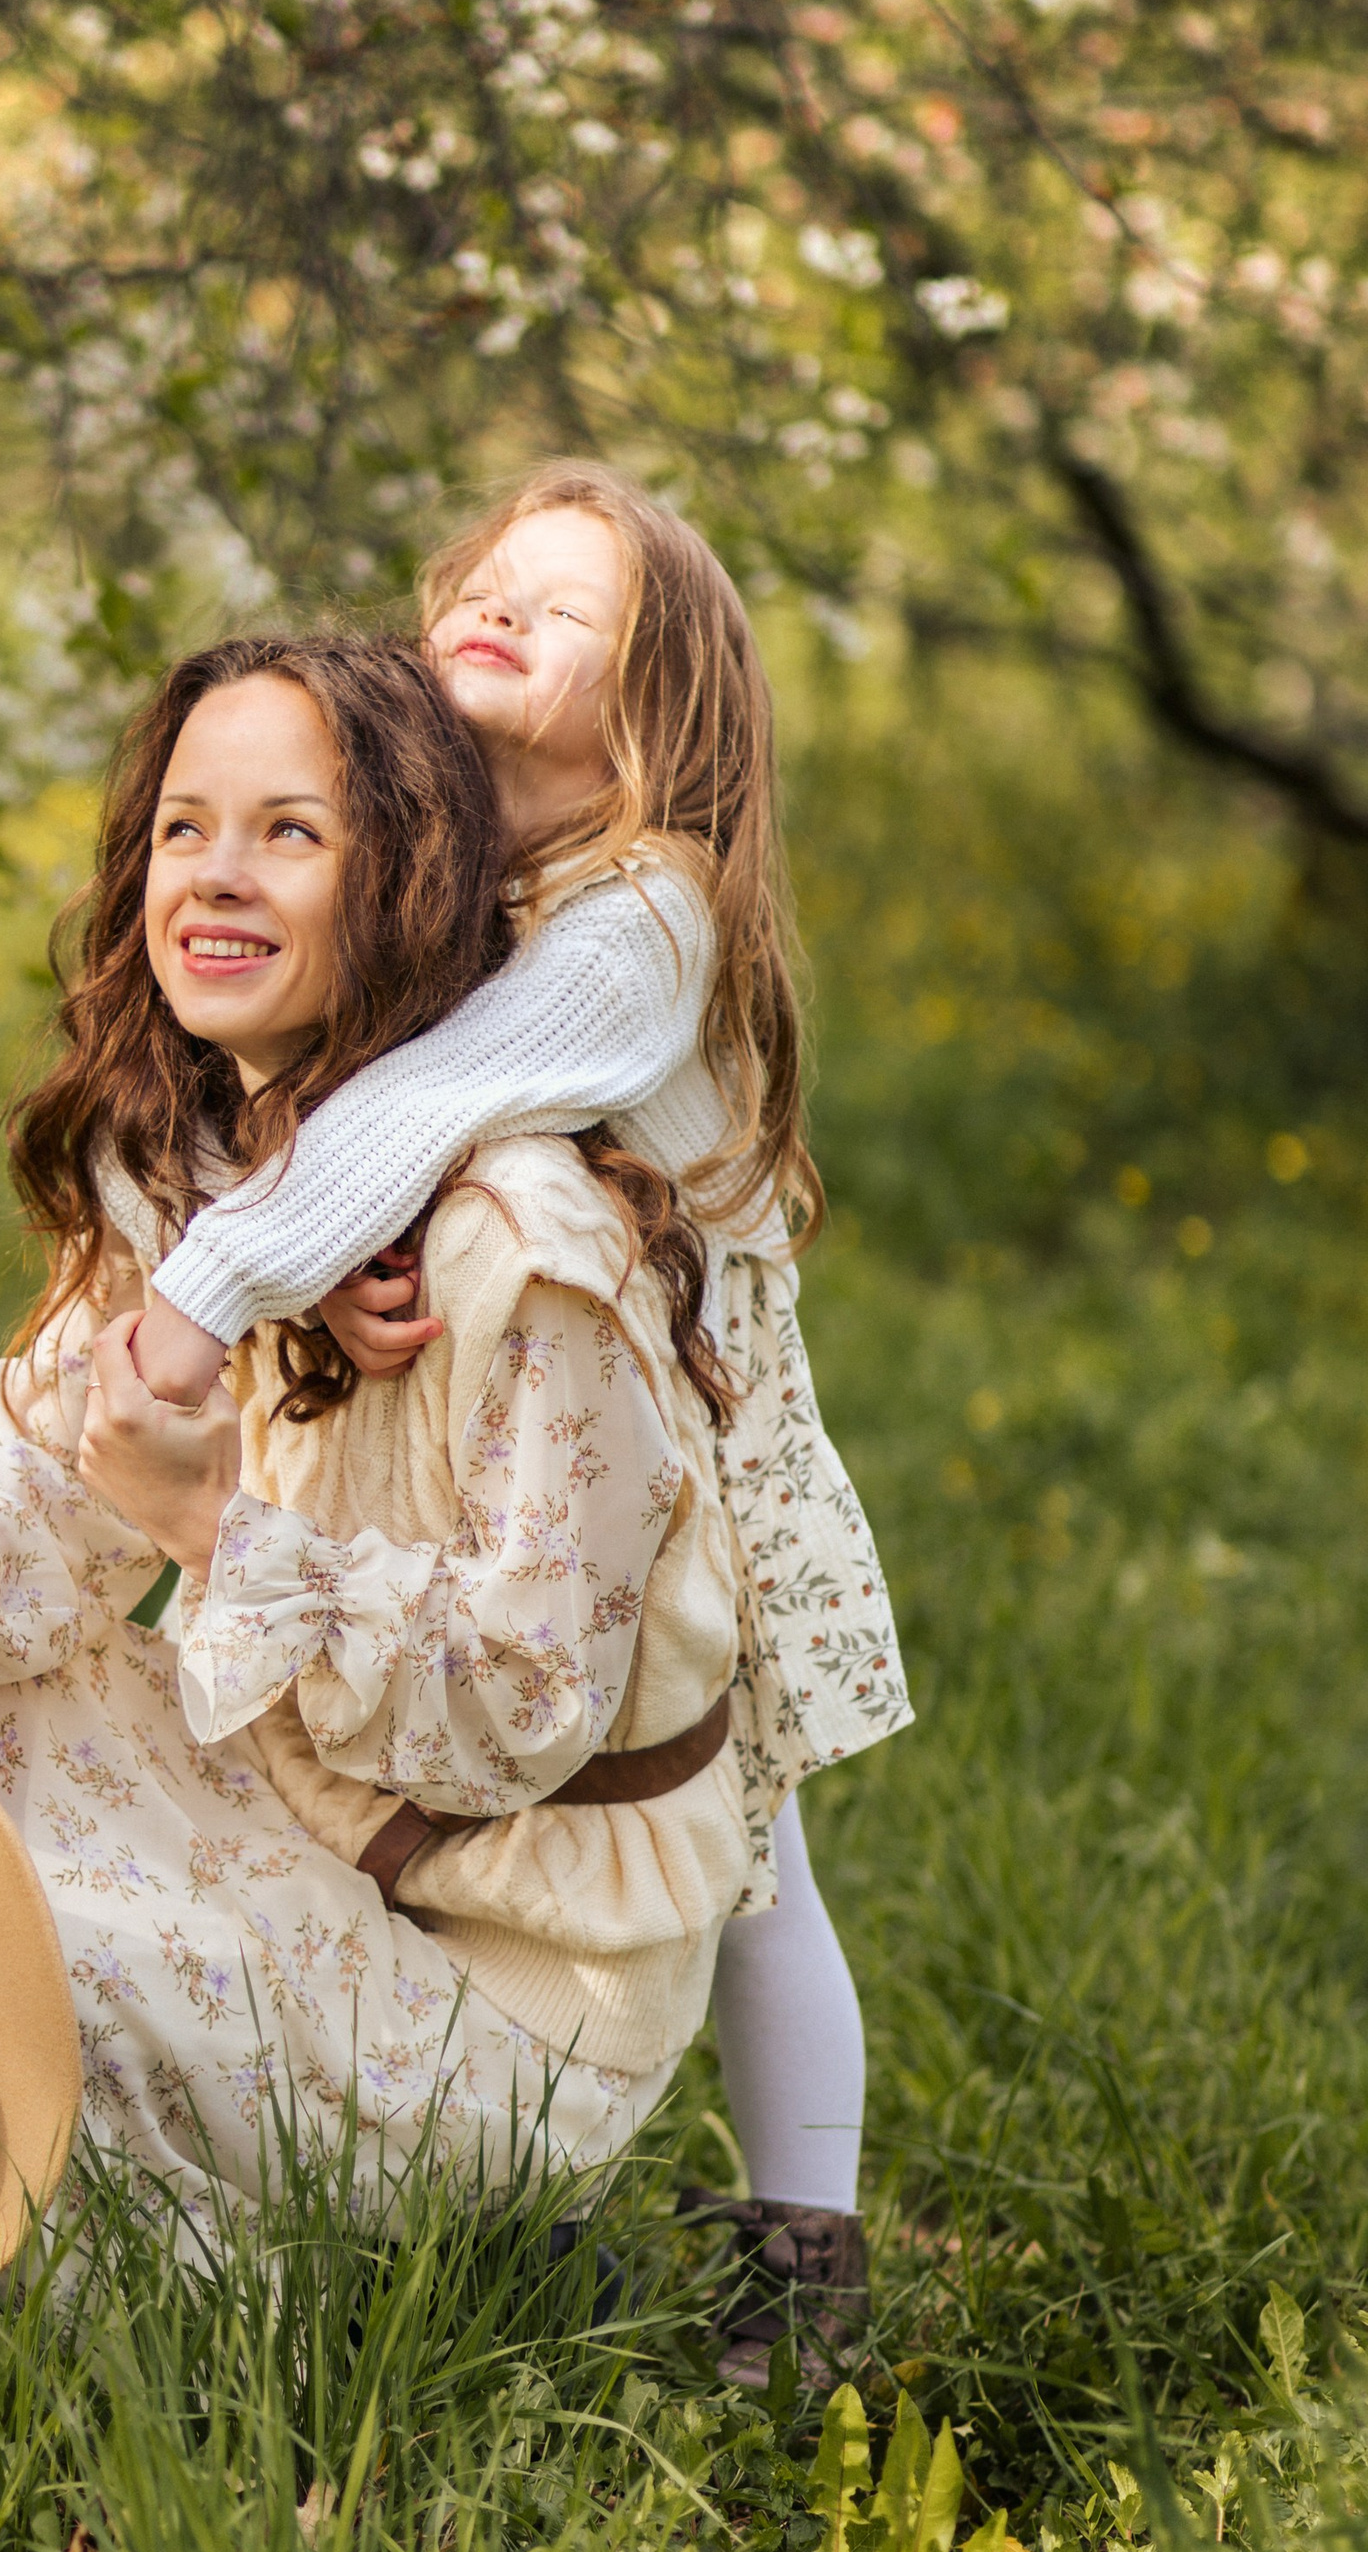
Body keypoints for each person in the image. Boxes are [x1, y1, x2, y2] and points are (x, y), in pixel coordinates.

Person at [0, 631, 781, 2252]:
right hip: (319, 1832)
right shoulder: (224, 1170)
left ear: (415, 881)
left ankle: (229, 2343)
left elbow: (517, 1711)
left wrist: (216, 1531)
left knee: (2, 1972)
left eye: (289, 833)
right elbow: (45, 1448)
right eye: (184, 829)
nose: (215, 881)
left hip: (512, 1989)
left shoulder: (518, 1245)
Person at [115, 462, 908, 2378]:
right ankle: (503, 2134)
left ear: (658, 709)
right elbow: (318, 1083)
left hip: (695, 1460)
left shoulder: (644, 910)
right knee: (502, 1800)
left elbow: (427, 1097)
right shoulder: (462, 875)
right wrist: (310, 1246)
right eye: (488, 576)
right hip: (521, 1421)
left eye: (568, 611)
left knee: (744, 1856)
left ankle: (811, 2257)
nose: (497, 607)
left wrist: (221, 1281)